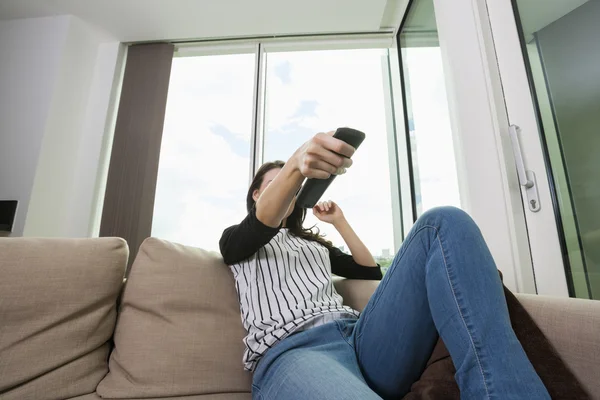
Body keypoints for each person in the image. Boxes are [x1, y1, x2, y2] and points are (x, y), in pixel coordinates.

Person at [219, 131, 550, 400]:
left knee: (443, 222)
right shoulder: (237, 240)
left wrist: (339, 222)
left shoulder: (312, 246)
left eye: (292, 188)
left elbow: (369, 271)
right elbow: (262, 223)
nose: (289, 191)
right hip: (295, 352)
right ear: (256, 194)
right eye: (277, 186)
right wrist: (294, 167)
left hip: (361, 339)